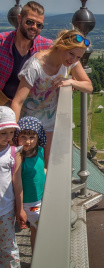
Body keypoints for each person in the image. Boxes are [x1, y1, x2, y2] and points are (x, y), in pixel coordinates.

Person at [11, 29, 93, 168]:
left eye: (78, 57)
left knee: (48, 163)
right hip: (30, 123)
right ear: (61, 44)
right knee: (29, 165)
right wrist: (14, 133)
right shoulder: (35, 66)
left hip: (50, 122)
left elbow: (89, 86)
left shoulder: (70, 62)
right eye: (71, 53)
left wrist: (71, 81)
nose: (73, 60)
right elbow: (17, 101)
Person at [0, 1, 52, 103]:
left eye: (39, 25)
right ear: (19, 19)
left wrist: (72, 79)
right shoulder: (2, 42)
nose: (34, 27)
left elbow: (68, 55)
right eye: (29, 22)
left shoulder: (45, 46)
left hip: (29, 106)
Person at [13, 116, 47, 252]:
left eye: (32, 137)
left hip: (42, 197)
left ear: (38, 138)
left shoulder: (40, 151)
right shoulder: (19, 157)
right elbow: (17, 184)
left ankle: (37, 256)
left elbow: (41, 171)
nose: (28, 141)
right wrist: (19, 208)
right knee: (39, 227)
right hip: (30, 204)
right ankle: (38, 257)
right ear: (17, 137)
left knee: (36, 228)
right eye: (24, 137)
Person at [0, 106, 27, 268]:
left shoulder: (13, 152)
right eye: (3, 132)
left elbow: (17, 182)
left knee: (8, 246)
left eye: (11, 132)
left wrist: (20, 208)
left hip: (5, 210)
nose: (8, 137)